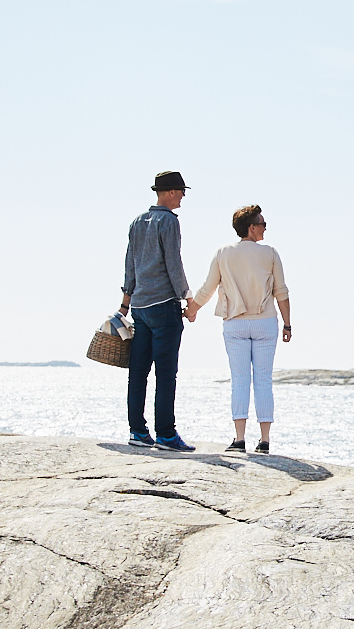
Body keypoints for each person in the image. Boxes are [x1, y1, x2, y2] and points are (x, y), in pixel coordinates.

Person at [186, 203, 292, 453]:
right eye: (263, 224)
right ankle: (264, 441)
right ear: (251, 227)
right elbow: (281, 292)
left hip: (235, 323)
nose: (265, 228)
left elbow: (207, 289)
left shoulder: (223, 253)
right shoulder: (270, 253)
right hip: (265, 322)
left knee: (240, 380)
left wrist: (191, 310)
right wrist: (288, 324)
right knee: (263, 380)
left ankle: (239, 439)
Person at [120, 170, 194, 451]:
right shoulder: (169, 221)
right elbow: (173, 263)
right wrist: (187, 297)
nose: (183, 197)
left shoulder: (137, 222)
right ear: (171, 192)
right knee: (165, 374)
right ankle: (166, 435)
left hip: (139, 307)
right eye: (182, 191)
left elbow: (130, 264)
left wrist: (125, 302)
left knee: (138, 373)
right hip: (164, 306)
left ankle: (137, 432)